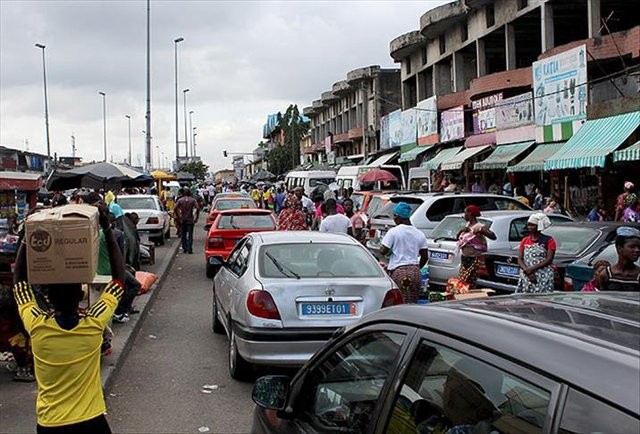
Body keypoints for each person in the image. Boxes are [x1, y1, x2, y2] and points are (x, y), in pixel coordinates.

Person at [13, 202, 125, 433]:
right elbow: (119, 281)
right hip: (91, 421)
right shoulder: (93, 324)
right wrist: (106, 228)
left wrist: (28, 236)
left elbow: (20, 284)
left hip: (50, 423)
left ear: (49, 298)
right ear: (81, 295)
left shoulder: (37, 325)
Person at [379, 202, 428, 303]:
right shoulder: (419, 234)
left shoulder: (393, 232)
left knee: (400, 301)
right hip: (415, 272)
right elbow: (425, 256)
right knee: (413, 301)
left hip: (399, 271)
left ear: (397, 216)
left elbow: (383, 251)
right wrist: (416, 268)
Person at [515, 213, 557, 293]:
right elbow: (520, 259)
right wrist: (527, 271)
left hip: (543, 275)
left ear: (539, 226)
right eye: (529, 225)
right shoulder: (525, 240)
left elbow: (549, 260)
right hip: (526, 275)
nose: (529, 227)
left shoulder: (549, 240)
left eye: (532, 225)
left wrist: (532, 269)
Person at [456, 205, 496, 288]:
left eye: (465, 213)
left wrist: (481, 231)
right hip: (465, 259)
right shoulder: (467, 226)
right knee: (463, 283)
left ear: (470, 213)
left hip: (475, 259)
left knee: (470, 283)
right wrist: (462, 230)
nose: (464, 215)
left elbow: (493, 236)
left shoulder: (478, 226)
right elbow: (457, 238)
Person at [597, 226, 640, 291]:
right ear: (619, 248)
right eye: (632, 247)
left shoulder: (638, 275)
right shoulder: (606, 275)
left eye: (639, 247)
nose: (637, 250)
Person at [174, 187, 200, 254]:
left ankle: (185, 248)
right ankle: (190, 249)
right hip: (190, 219)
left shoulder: (180, 200)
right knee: (190, 235)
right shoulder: (193, 200)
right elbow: (198, 208)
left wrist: (178, 216)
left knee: (183, 234)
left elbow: (175, 208)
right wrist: (196, 217)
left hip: (182, 219)